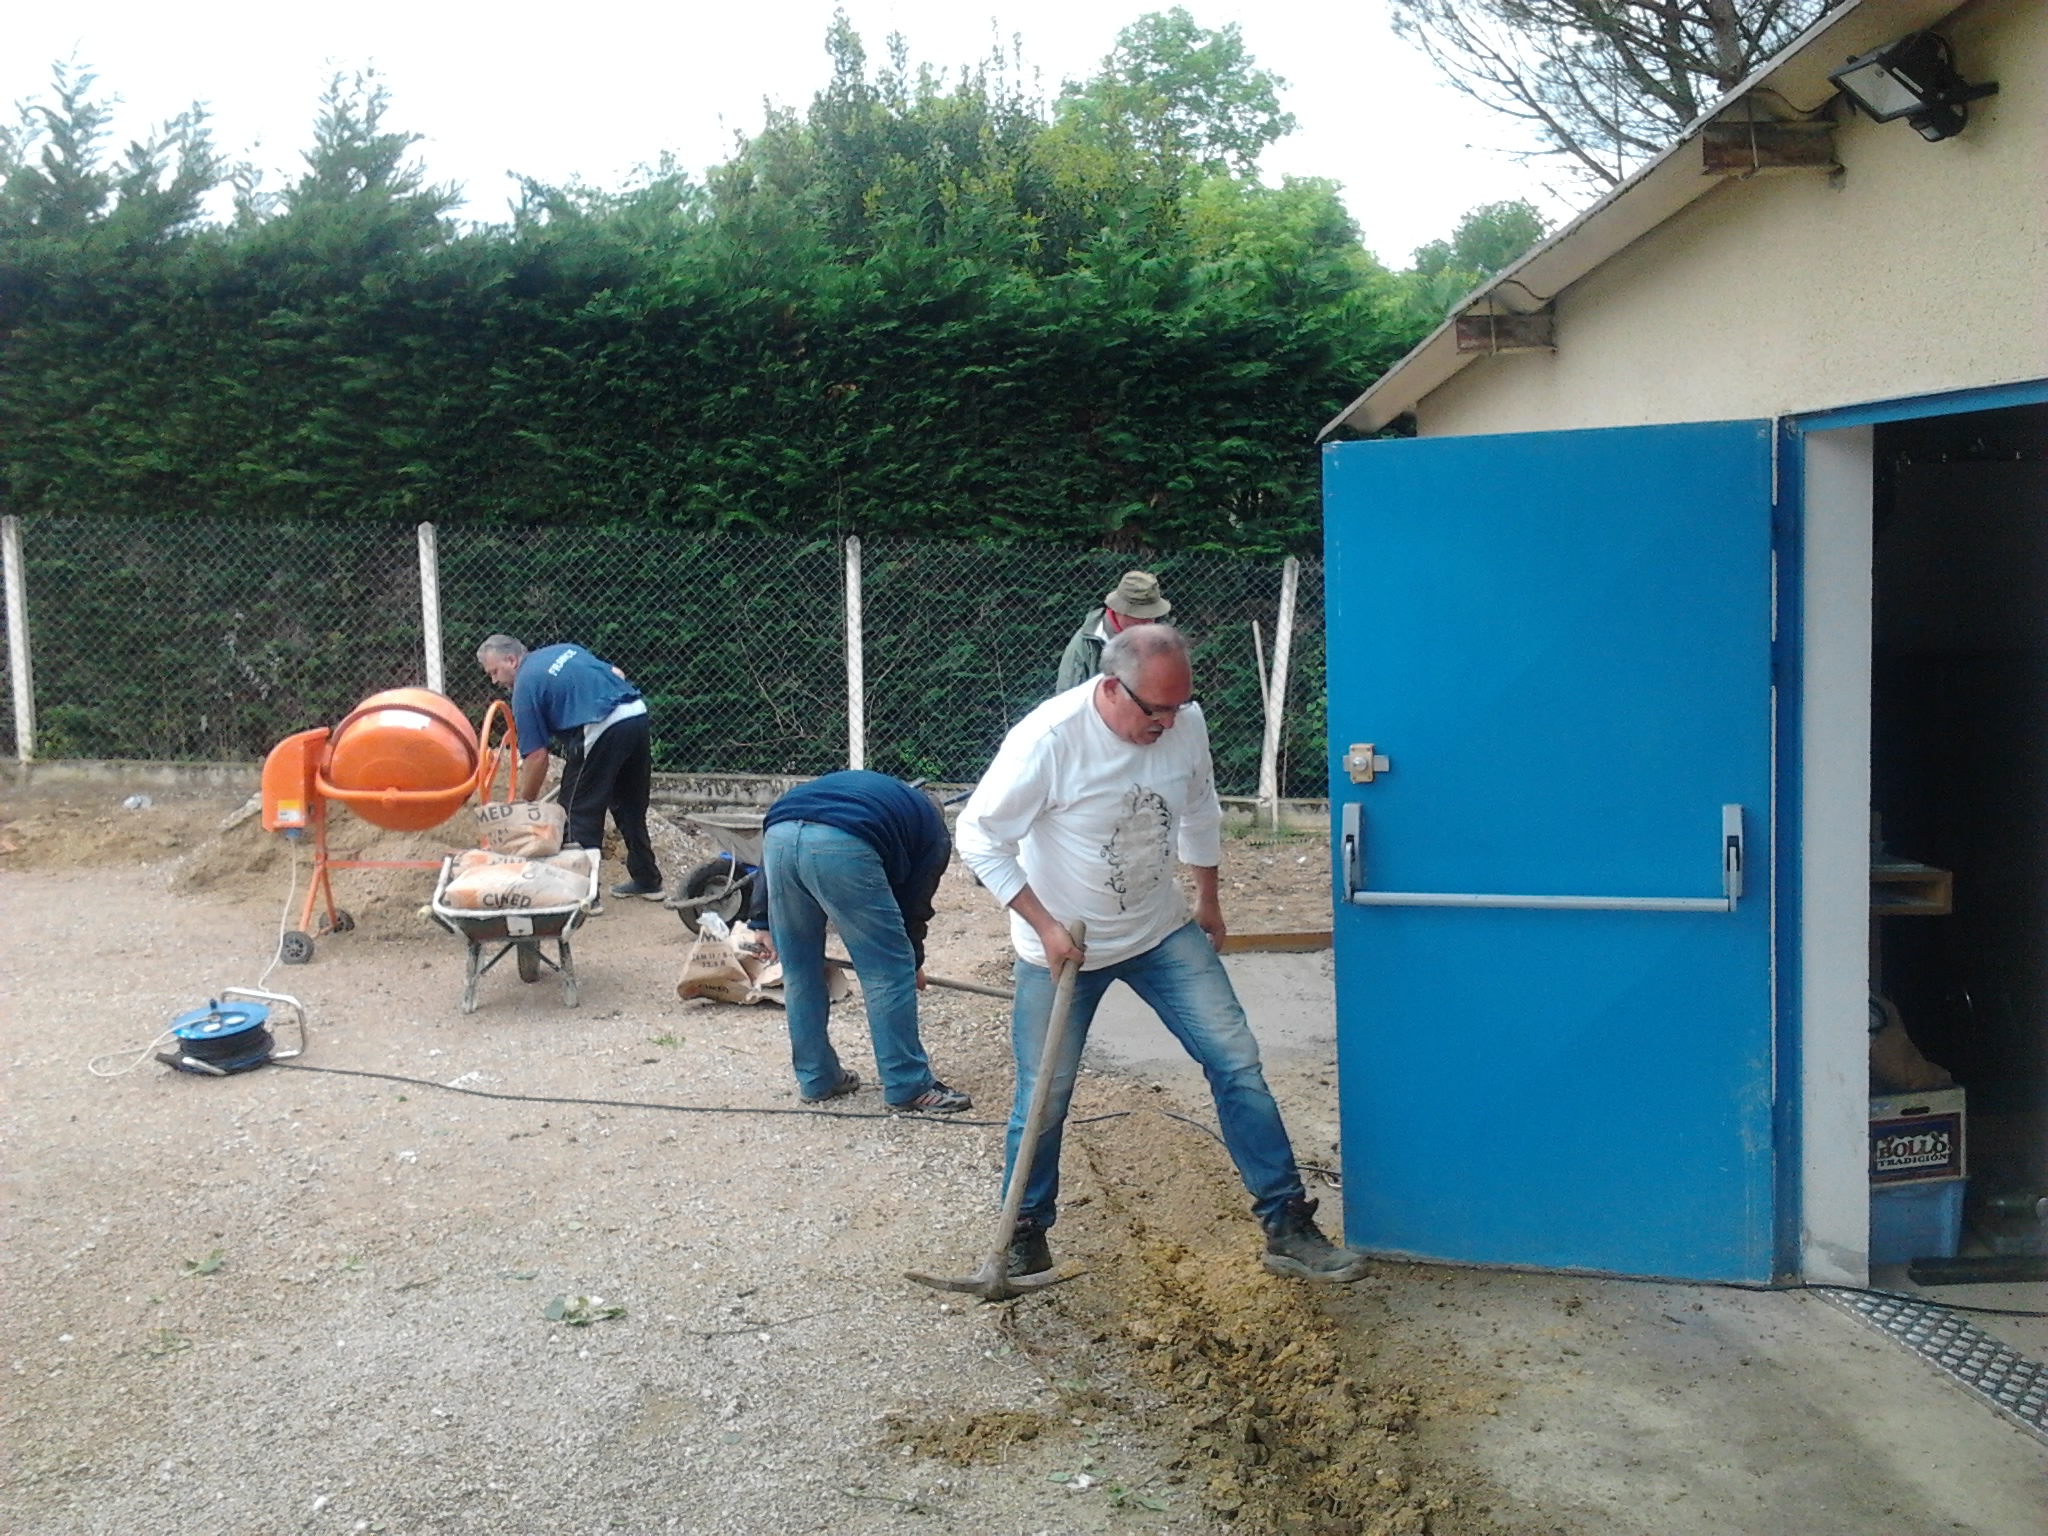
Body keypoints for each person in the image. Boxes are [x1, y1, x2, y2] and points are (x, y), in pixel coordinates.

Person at [957, 624, 1367, 1283]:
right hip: (1061, 951)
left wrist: (1208, 899)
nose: (1169, 723)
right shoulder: (1049, 740)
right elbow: (978, 838)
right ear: (1112, 689)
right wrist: (1044, 925)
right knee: (1045, 1095)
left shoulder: (1184, 724)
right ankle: (1024, 1236)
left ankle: (1287, 1223)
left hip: (1160, 932)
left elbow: (1201, 808)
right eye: (1156, 710)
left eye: (1180, 707)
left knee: (1236, 1062)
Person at [755, 770, 971, 1113]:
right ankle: (908, 1085)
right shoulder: (932, 832)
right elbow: (914, 904)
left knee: (799, 968)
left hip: (778, 836)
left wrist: (761, 920)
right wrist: (910, 961)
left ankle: (817, 1078)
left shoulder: (870, 794)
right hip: (841, 844)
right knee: (887, 972)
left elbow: (789, 828)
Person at [475, 635, 664, 902]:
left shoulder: (525, 688)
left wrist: (526, 801)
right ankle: (648, 879)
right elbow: (616, 673)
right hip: (635, 713)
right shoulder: (564, 650)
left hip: (600, 724)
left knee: (577, 809)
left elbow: (537, 757)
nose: (495, 681)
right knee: (629, 804)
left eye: (494, 672)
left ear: (511, 660)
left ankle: (583, 894)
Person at [1055, 570, 1171, 693]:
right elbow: (1068, 700)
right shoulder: (1085, 645)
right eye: (1141, 617)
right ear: (1119, 610)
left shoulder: (1163, 637)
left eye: (1152, 615)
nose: (1149, 622)